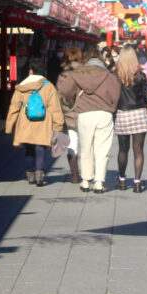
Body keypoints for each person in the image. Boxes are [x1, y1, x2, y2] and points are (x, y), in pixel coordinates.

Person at [57, 48, 120, 193]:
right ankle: (99, 182)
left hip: (84, 114)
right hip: (104, 113)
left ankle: (85, 180)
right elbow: (116, 95)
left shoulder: (76, 75)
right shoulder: (108, 75)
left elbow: (64, 91)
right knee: (102, 149)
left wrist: (71, 98)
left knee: (85, 148)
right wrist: (111, 107)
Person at [5, 57, 64, 187]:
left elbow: (13, 107)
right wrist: (58, 125)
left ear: (30, 71)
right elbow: (55, 108)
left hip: (25, 122)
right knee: (40, 148)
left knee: (29, 149)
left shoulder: (21, 87)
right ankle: (39, 174)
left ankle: (30, 174)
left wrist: (9, 126)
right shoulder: (48, 86)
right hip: (43, 122)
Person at [113, 46, 147, 192]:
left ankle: (122, 180)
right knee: (138, 150)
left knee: (123, 149)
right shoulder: (140, 75)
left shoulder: (116, 75)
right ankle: (137, 182)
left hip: (123, 113)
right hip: (139, 113)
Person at [56, 47, 85, 183]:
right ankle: (88, 173)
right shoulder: (86, 73)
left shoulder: (63, 75)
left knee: (72, 144)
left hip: (69, 114)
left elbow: (59, 95)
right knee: (87, 144)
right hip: (85, 112)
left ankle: (74, 175)